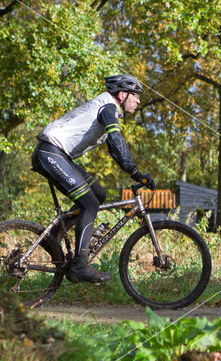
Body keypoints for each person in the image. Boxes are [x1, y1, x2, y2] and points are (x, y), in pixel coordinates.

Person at [31, 74, 155, 283]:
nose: (138, 101)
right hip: (50, 153)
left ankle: (52, 238)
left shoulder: (106, 108)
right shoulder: (108, 108)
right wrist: (134, 172)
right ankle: (80, 266)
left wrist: (134, 172)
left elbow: (114, 150)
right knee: (89, 204)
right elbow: (116, 142)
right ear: (122, 94)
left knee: (98, 194)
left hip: (58, 155)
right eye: (135, 96)